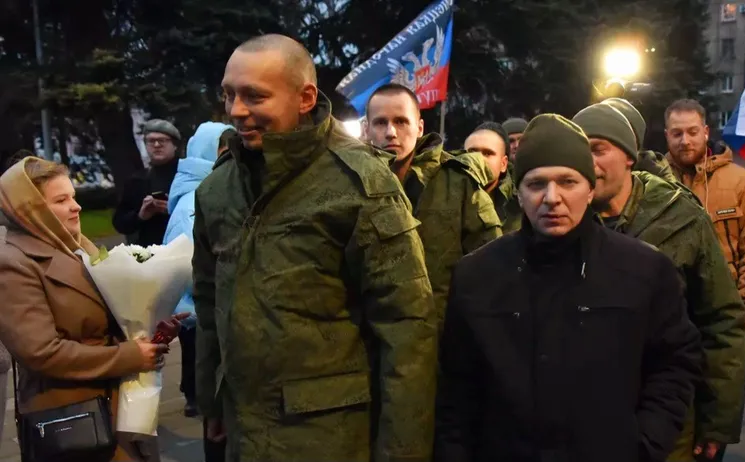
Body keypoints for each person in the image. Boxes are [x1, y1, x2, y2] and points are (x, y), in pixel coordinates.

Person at [194, 35, 438, 461]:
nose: (235, 110)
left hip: (329, 439)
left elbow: (407, 328)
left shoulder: (361, 184)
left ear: (305, 98)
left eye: (255, 96)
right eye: (229, 94)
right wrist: (211, 401)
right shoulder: (218, 188)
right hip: (244, 434)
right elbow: (209, 299)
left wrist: (403, 451)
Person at [434, 114, 703, 462]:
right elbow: (457, 390)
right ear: (518, 193)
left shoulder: (644, 270)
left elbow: (675, 362)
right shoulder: (477, 275)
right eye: (536, 184)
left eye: (567, 182)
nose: (552, 198)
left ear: (589, 190)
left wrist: (643, 444)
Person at [572, 101, 745, 461]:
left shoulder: (680, 217)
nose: (587, 163)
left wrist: (717, 419)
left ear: (628, 156)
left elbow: (721, 320)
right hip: (585, 414)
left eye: (598, 149)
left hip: (668, 413)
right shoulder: (563, 218)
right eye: (578, 152)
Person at [0, 157, 183, 462]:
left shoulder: (79, 246)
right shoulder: (14, 263)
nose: (76, 207)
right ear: (30, 210)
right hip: (72, 417)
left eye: (73, 196)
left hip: (119, 405)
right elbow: (41, 352)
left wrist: (154, 326)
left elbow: (115, 310)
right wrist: (129, 356)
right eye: (61, 200)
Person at [365, 83, 502, 324]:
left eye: (401, 121)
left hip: (446, 332)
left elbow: (492, 266)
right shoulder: (353, 185)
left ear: (419, 128)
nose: (391, 132)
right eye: (380, 122)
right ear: (366, 129)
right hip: (372, 334)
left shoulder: (458, 183)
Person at [664, 98, 745, 341]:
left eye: (692, 132)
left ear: (705, 132)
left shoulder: (741, 181)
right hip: (666, 314)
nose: (685, 141)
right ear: (666, 135)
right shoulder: (653, 182)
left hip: (725, 311)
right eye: (677, 133)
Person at [162, 122, 234, 461]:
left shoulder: (208, 191)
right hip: (201, 317)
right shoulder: (196, 200)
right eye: (224, 152)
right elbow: (192, 270)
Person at [113, 119, 182, 246]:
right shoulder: (137, 180)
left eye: (162, 140)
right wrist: (140, 215)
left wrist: (173, 210)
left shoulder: (187, 175)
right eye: (151, 141)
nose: (156, 145)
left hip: (185, 248)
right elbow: (120, 223)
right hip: (149, 250)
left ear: (175, 145)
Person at [464, 122, 521, 233]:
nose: (479, 159)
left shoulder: (520, 204)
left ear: (503, 163)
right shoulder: (444, 193)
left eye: (487, 153)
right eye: (472, 152)